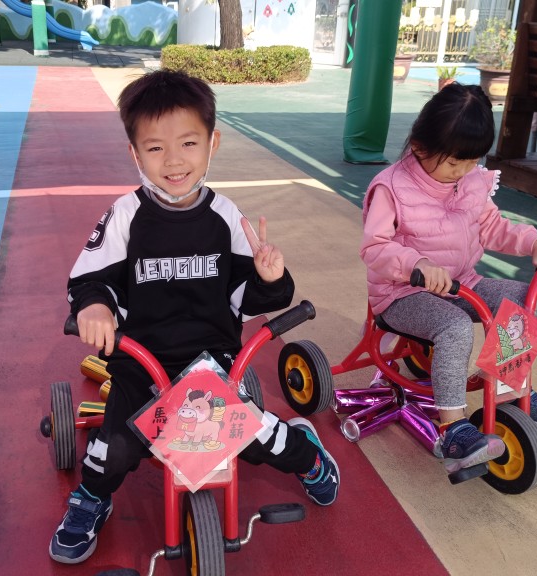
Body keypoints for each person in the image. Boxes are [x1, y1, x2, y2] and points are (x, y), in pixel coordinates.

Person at [50, 69, 340, 565]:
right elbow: (89, 279)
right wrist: (95, 306)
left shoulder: (225, 217)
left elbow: (249, 297)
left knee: (256, 441)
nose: (173, 160)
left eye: (188, 143)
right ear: (135, 154)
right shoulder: (125, 217)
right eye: (155, 148)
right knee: (113, 449)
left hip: (212, 364)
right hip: (141, 367)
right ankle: (91, 498)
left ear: (212, 144)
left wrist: (270, 278)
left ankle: (308, 454)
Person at [359, 84, 537, 476]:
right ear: (419, 146)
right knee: (455, 326)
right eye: (453, 163)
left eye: (471, 161)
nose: (462, 172)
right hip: (402, 293)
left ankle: (510, 390)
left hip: (463, 282)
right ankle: (453, 429)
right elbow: (374, 248)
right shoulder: (392, 187)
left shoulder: (472, 180)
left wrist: (535, 242)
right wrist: (416, 263)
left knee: (533, 303)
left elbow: (492, 227)